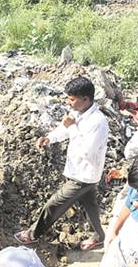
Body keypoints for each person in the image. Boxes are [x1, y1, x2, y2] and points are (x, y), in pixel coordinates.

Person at [14, 77, 109, 250]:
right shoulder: (78, 113)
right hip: (77, 170)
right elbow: (64, 129)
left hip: (84, 174)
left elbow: (87, 151)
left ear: (86, 99)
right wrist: (49, 138)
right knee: (90, 206)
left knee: (54, 204)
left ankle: (32, 235)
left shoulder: (98, 122)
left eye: (72, 99)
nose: (69, 102)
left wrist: (72, 127)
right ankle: (99, 236)